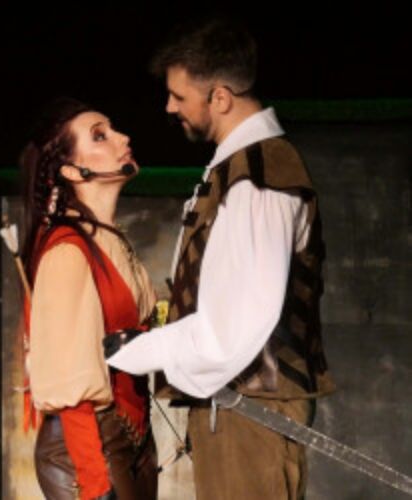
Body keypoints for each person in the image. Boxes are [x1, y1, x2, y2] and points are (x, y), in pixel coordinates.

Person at [106, 17, 335, 500]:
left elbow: (235, 326)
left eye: (179, 96)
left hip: (252, 411)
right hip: (236, 409)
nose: (170, 107)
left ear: (221, 98)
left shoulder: (259, 178)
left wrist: (140, 350)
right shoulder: (237, 170)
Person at [20, 97, 158, 500]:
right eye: (100, 136)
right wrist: (95, 483)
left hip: (134, 441)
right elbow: (68, 375)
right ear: (71, 170)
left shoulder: (110, 242)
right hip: (88, 447)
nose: (122, 138)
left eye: (112, 129)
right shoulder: (68, 251)